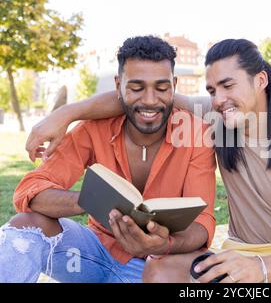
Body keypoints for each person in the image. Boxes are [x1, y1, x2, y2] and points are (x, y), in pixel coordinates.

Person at [25, 39, 271, 283]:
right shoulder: (217, 118)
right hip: (239, 255)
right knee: (159, 272)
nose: (218, 98)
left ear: (261, 80)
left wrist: (263, 271)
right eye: (212, 89)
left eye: (228, 85)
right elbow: (140, 98)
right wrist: (61, 116)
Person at [0, 35, 216, 283]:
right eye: (136, 88)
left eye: (162, 88)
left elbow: (203, 222)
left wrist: (161, 245)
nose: (149, 100)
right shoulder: (93, 129)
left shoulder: (196, 134)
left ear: (174, 85)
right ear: (118, 85)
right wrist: (93, 200)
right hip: (94, 253)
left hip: (157, 264)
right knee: (24, 227)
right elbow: (31, 189)